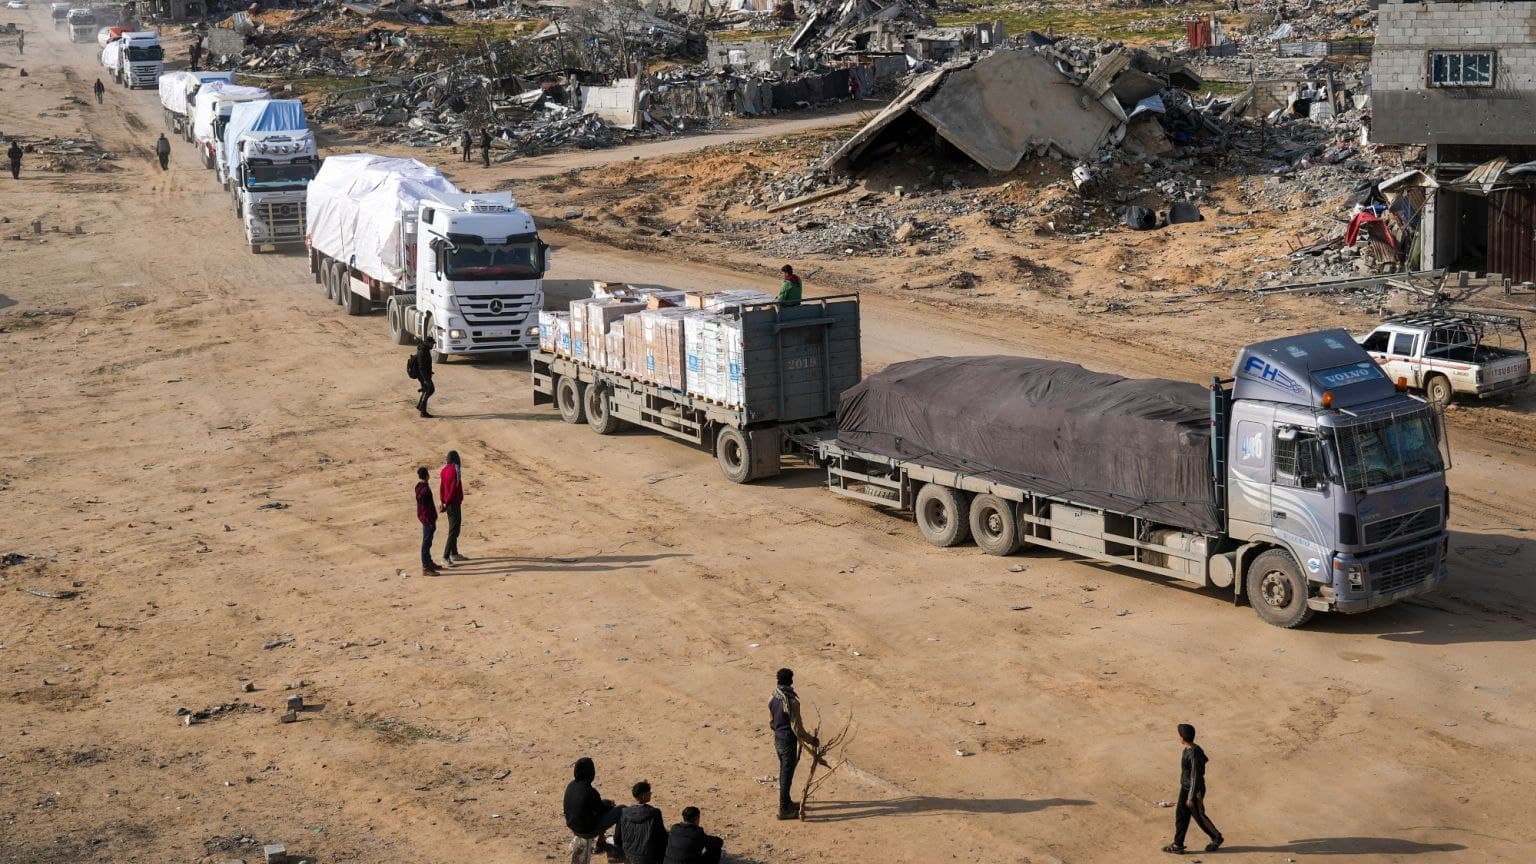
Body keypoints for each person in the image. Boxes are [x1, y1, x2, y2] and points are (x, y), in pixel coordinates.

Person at [1164, 723, 1223, 855]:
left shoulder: (1194, 753)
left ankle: (1217, 837)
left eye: (1179, 735)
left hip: (1194, 790)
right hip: (1185, 787)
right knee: (1181, 815)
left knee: (1199, 816)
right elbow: (1205, 760)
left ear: (1183, 737)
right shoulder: (1190, 749)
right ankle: (1178, 844)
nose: (1179, 737)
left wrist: (1191, 797)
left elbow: (1195, 776)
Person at [769, 667, 818, 820]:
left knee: (784, 771)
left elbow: (771, 722)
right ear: (790, 681)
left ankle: (787, 802)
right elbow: (797, 728)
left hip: (778, 739)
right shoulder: (791, 701)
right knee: (786, 774)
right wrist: (812, 740)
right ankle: (784, 809)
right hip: (788, 741)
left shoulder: (773, 697)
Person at [564, 757, 625, 855]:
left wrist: (606, 803)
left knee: (604, 804)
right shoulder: (590, 791)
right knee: (622, 810)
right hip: (587, 831)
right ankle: (617, 844)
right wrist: (609, 804)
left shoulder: (571, 785)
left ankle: (601, 841)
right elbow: (601, 810)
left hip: (573, 827)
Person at [615, 781, 667, 864]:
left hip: (629, 856)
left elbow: (617, 838)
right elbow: (661, 837)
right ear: (643, 795)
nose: (650, 794)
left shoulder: (624, 812)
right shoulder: (654, 813)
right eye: (649, 793)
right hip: (647, 858)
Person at [439, 450, 465, 564]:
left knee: (453, 529)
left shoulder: (444, 470)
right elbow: (454, 488)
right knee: (454, 530)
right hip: (454, 503)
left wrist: (443, 501)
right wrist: (447, 501)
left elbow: (442, 487)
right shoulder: (456, 470)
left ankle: (454, 553)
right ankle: (446, 556)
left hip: (448, 503)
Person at [414, 467, 441, 575]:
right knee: (426, 543)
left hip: (425, 518)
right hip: (428, 519)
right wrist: (429, 520)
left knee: (428, 542)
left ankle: (429, 563)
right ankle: (426, 567)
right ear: (427, 476)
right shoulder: (424, 490)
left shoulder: (419, 487)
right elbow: (425, 508)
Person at [413, 336, 435, 418]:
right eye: (432, 343)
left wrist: (429, 372)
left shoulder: (425, 350)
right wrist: (425, 379)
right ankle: (423, 412)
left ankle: (420, 406)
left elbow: (425, 364)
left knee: (426, 390)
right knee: (430, 389)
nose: (433, 345)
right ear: (427, 343)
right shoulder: (423, 352)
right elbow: (421, 367)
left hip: (424, 374)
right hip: (423, 375)